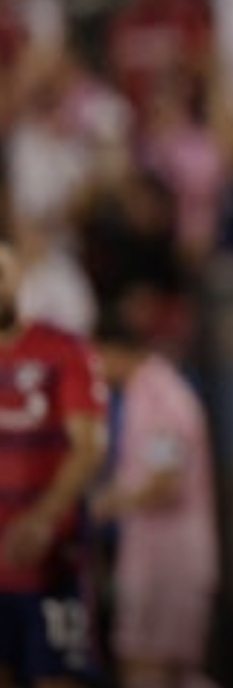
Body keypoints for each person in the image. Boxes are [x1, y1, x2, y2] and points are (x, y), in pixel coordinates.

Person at [0, 243, 111, 688]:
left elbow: (90, 447)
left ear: (17, 278)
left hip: (47, 563)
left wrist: (43, 519)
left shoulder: (62, 349)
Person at [90, 307, 219, 688]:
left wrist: (103, 507)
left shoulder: (162, 398)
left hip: (169, 560)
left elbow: (166, 481)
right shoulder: (143, 393)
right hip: (156, 553)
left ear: (111, 351)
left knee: (147, 665)